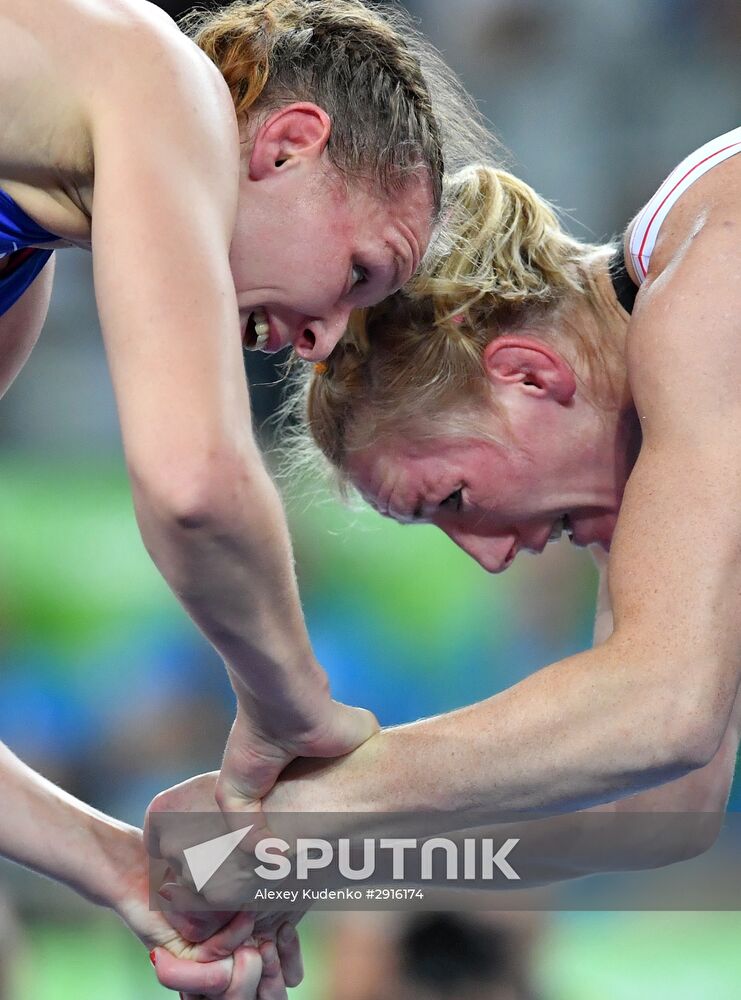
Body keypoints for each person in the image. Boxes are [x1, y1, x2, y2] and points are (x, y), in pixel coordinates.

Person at [148, 132, 741, 994]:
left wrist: (293, 819)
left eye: (452, 498)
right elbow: (658, 810)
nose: (493, 557)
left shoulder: (707, 282)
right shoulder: (671, 439)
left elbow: (666, 710)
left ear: (528, 376)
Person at [0, 0, 490, 993]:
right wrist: (296, 708)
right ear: (289, 145)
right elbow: (193, 486)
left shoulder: (23, 269)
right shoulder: (152, 70)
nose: (322, 341)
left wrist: (123, 868)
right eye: (360, 272)